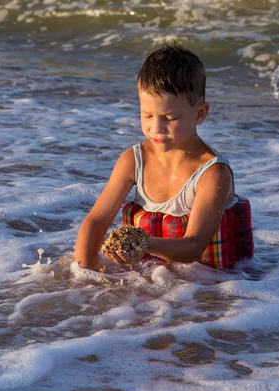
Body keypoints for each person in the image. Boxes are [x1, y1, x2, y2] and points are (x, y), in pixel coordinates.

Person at [72, 42, 253, 270]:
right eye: (147, 115)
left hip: (212, 288)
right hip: (154, 281)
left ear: (200, 113)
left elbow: (194, 246)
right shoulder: (133, 160)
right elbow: (96, 221)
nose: (156, 128)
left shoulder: (213, 174)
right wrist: (82, 275)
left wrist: (143, 244)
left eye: (169, 118)